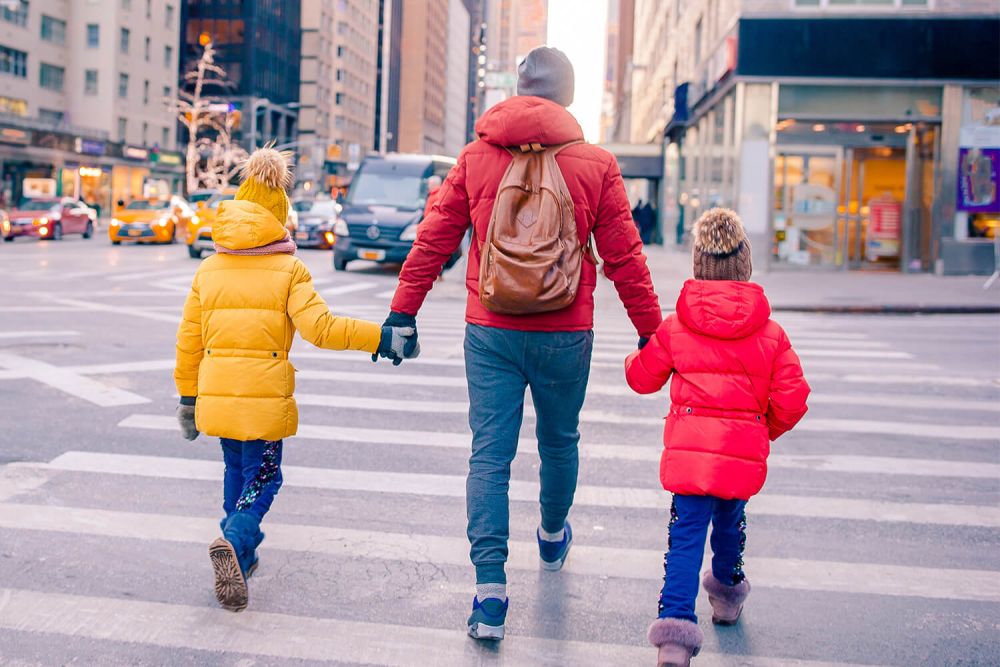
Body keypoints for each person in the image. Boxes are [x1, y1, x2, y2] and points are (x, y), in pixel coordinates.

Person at [382, 46, 662, 640]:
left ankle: (489, 593)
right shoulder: (597, 164)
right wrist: (651, 332)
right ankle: (553, 535)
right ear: (568, 96)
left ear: (520, 90)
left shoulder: (475, 157)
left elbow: (434, 239)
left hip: (490, 330)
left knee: (490, 455)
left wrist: (402, 313)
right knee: (559, 442)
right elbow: (625, 258)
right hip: (566, 331)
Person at [173, 147, 418, 613]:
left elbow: (189, 342)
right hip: (264, 400)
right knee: (265, 475)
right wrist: (382, 338)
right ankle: (235, 537)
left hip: (218, 399)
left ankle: (241, 554)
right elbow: (321, 329)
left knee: (235, 470)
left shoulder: (209, 269)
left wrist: (188, 398)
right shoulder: (288, 270)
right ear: (279, 217)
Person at [624, 208, 810, 666]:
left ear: (699, 265)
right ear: (744, 264)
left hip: (690, 460)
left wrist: (637, 354)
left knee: (685, 538)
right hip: (739, 454)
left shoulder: (676, 326)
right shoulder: (771, 334)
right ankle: (726, 598)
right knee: (730, 525)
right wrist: (762, 431)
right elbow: (793, 397)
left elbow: (642, 379)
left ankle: (674, 637)